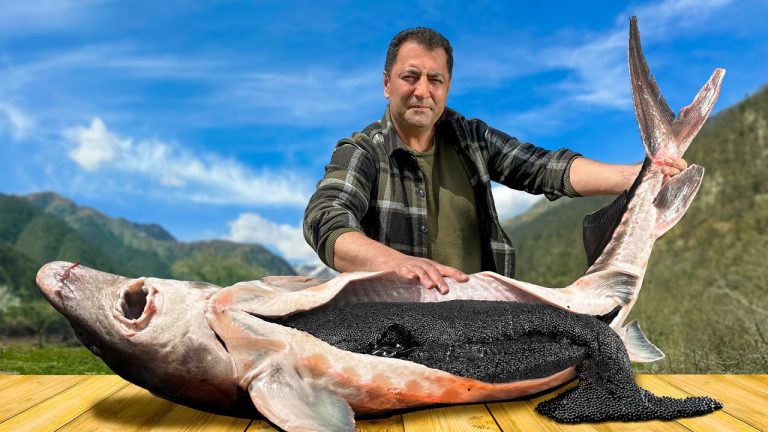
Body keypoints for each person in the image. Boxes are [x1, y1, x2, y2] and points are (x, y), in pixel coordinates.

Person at [303, 27, 686, 294]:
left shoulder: (472, 138)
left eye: (435, 80)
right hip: (399, 325)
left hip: (484, 317)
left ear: (447, 88)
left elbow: (544, 168)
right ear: (387, 84)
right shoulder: (363, 151)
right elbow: (326, 219)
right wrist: (396, 263)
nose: (422, 90)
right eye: (410, 77)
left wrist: (638, 175)